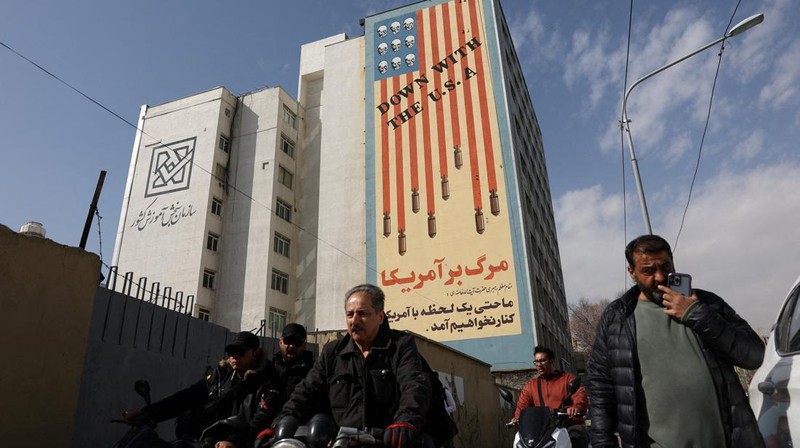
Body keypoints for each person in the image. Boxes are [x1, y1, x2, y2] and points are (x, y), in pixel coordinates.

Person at [587, 234, 765, 448]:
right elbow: (601, 388)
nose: (661, 277)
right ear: (631, 272)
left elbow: (754, 355)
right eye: (648, 271)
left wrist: (696, 314)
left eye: (665, 266)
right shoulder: (617, 318)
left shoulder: (707, 303)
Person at [272, 284, 432, 448]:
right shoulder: (332, 352)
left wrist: (405, 422)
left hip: (385, 441)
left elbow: (414, 386)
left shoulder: (400, 346)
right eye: (350, 315)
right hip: (342, 443)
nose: (354, 321)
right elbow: (306, 391)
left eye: (363, 314)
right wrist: (280, 422)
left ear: (380, 317)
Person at [122, 331, 282, 446]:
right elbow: (186, 397)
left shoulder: (268, 381)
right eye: (231, 352)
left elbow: (262, 418)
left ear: (255, 353)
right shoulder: (221, 376)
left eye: (240, 352)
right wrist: (147, 413)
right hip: (205, 440)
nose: (234, 356)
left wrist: (235, 441)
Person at [509, 346, 589, 448]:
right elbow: (522, 404)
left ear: (552, 362)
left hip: (568, 424)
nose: (539, 365)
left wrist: (576, 407)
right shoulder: (532, 385)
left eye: (543, 361)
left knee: (578, 437)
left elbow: (580, 394)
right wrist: (517, 418)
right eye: (536, 362)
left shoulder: (567, 379)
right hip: (543, 430)